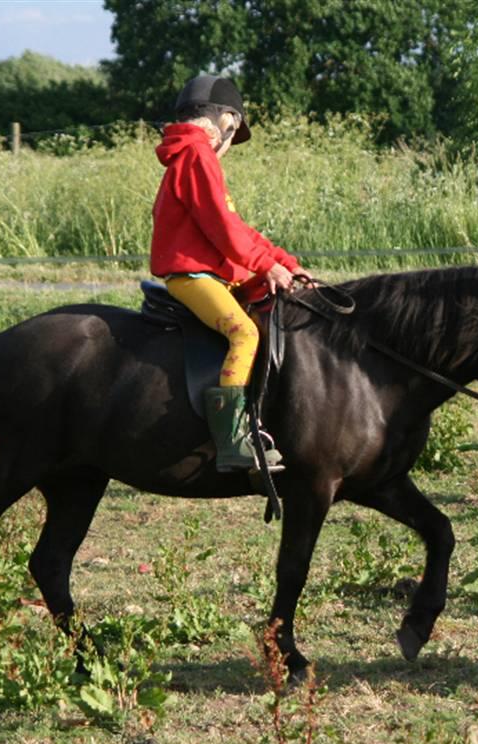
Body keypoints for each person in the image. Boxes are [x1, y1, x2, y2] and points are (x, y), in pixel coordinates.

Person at [150, 74, 310, 473]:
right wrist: (266, 265)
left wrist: (285, 263)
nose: (230, 147)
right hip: (193, 277)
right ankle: (234, 441)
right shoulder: (198, 156)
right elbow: (223, 229)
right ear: (226, 122)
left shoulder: (192, 156)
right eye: (234, 133)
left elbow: (237, 230)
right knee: (244, 332)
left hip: (210, 273)